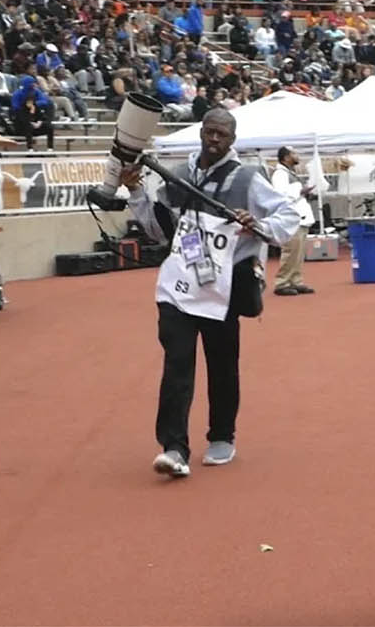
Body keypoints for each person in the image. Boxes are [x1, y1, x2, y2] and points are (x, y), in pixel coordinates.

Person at [120, 108, 300, 478]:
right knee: (177, 364)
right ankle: (174, 447)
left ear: (232, 139)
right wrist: (137, 190)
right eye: (209, 132)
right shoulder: (178, 175)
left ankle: (222, 435)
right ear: (201, 132)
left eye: (222, 134)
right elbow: (158, 230)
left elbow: (288, 215)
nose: (213, 139)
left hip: (225, 287)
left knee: (222, 365)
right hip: (180, 286)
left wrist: (259, 225)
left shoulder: (249, 178)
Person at [270, 146, 316, 296]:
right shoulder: (280, 174)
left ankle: (296, 280)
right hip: (290, 219)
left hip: (300, 218)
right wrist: (301, 191)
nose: (297, 156)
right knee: (290, 251)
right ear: (286, 157)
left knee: (299, 252)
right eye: (294, 153)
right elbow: (280, 195)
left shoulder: (291, 173)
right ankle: (282, 282)